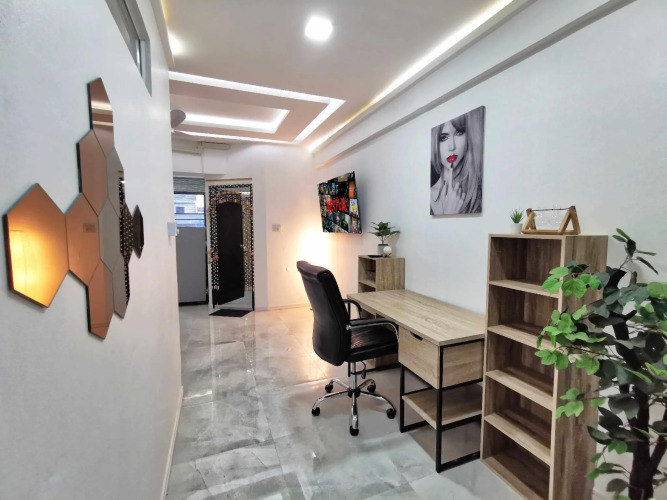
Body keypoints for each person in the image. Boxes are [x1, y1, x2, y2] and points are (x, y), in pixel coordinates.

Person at [430, 106, 484, 215]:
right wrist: (449, 211)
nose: (452, 146)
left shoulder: (479, 191)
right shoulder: (429, 194)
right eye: (443, 138)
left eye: (459, 133)